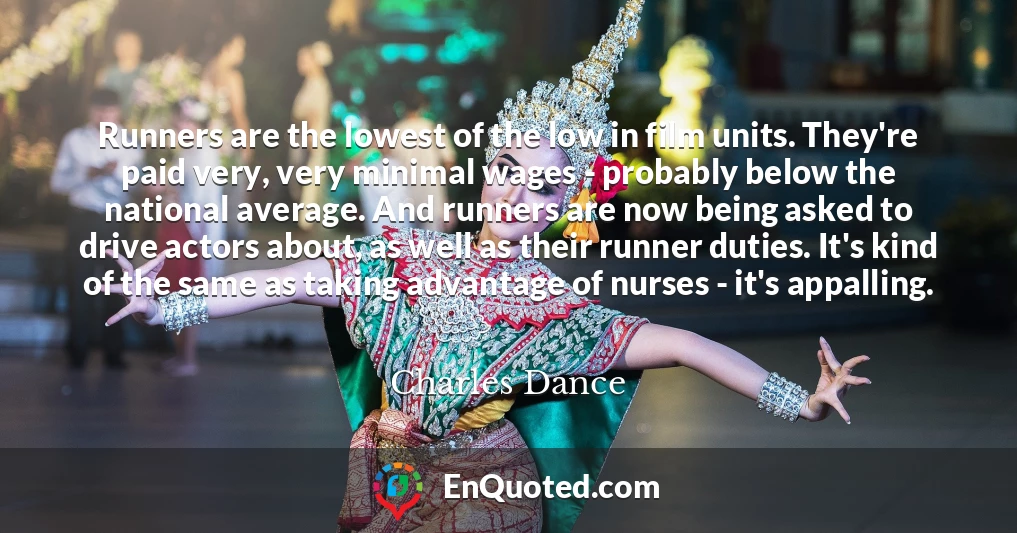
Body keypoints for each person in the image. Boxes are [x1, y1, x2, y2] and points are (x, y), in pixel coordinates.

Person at [103, 2, 871, 530]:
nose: (514, 194)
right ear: (486, 165)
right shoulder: (405, 255)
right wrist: (172, 302)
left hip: (487, 492)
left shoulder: (554, 311)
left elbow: (681, 344)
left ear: (563, 203)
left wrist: (799, 402)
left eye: (541, 186)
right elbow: (289, 280)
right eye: (506, 169)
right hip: (391, 476)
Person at [51, 89, 143, 370]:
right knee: (79, 283)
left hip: (117, 220)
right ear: (90, 110)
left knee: (119, 284)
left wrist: (115, 172)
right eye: (99, 109)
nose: (104, 116)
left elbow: (139, 185)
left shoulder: (131, 142)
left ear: (118, 112)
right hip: (83, 219)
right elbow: (57, 183)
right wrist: (84, 175)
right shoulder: (75, 139)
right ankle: (77, 351)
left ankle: (114, 351)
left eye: (109, 110)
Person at [149, 97, 225, 377]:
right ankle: (180, 353)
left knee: (187, 288)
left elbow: (201, 199)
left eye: (187, 121)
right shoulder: (186, 151)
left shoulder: (204, 152)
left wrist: (167, 189)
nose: (180, 126)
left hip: (189, 230)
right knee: (172, 288)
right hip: (176, 226)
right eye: (178, 121)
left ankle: (188, 357)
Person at [201, 35, 250, 239]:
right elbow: (238, 112)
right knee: (232, 188)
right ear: (225, 47)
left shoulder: (206, 72)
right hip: (227, 139)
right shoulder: (232, 77)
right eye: (239, 48)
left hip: (206, 138)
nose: (242, 53)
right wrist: (247, 142)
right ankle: (231, 236)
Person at [389, 90, 457, 232]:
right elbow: (449, 162)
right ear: (424, 106)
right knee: (433, 238)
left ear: (403, 107)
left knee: (406, 238)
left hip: (404, 191)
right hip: (431, 191)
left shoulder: (397, 130)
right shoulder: (434, 127)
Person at [290, 41, 335, 231]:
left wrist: (310, 137)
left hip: (311, 137)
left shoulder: (317, 84)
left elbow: (313, 114)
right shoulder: (311, 83)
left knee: (310, 179)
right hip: (305, 136)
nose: (300, 63)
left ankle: (307, 223)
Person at [96, 30, 145, 120]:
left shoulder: (148, 72)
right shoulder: (106, 73)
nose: (126, 48)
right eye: (122, 44)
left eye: (130, 44)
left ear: (139, 48)